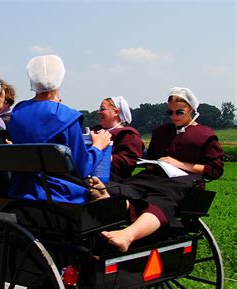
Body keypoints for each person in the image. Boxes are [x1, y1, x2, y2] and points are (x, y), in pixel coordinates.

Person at [90, 87, 224, 252]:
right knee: (129, 186)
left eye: (179, 112)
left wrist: (180, 164)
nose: (174, 117)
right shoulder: (161, 132)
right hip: (156, 176)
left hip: (185, 181)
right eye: (170, 112)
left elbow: (215, 170)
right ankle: (109, 197)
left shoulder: (205, 135)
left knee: (164, 197)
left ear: (191, 109)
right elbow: (151, 157)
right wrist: (150, 164)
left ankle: (128, 235)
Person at [7, 54, 111, 203]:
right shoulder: (67, 116)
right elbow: (81, 168)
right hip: (60, 196)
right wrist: (98, 147)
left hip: (21, 191)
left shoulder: (18, 112)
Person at [93, 96, 144, 180]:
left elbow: (130, 161)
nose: (99, 112)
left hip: (113, 179)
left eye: (102, 109)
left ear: (116, 112)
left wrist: (103, 157)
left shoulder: (128, 135)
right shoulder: (93, 130)